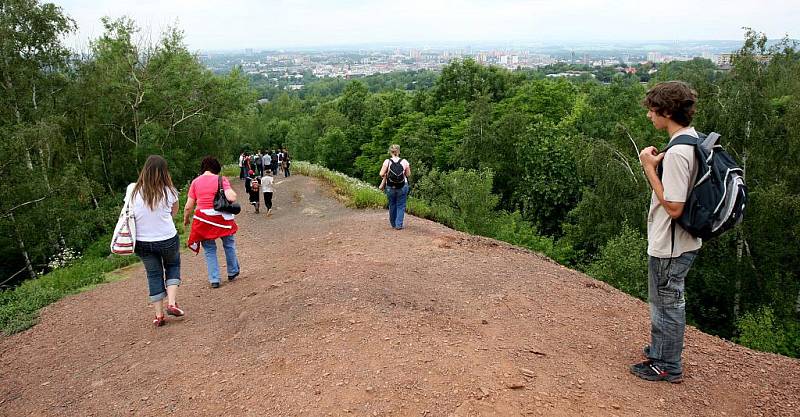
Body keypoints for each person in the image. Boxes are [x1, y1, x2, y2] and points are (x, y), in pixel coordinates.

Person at [631, 81, 702, 383]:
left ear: (667, 111)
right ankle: (661, 350)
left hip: (671, 244)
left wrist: (648, 167)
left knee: (667, 302)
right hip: (684, 240)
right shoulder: (692, 140)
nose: (649, 115)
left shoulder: (678, 153)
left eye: (652, 109)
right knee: (665, 300)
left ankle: (667, 365)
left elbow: (674, 206)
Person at [129, 155, 183, 327]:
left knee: (153, 274)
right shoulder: (171, 191)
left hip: (142, 241)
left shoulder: (132, 189)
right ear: (164, 172)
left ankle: (159, 316)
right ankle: (172, 303)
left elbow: (129, 212)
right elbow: (174, 213)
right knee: (173, 266)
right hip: (167, 237)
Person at [184, 156, 241, 289]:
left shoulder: (195, 182)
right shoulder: (221, 179)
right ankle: (232, 272)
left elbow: (188, 206)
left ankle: (214, 279)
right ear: (216, 167)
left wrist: (186, 219)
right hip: (222, 218)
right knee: (229, 244)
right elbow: (231, 197)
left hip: (203, 219)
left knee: (209, 249)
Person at [379, 144, 411, 230]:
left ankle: (393, 224)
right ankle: (398, 225)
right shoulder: (404, 161)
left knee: (392, 204)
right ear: (399, 151)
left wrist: (386, 175)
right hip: (402, 185)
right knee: (401, 205)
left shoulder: (387, 161)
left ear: (390, 152)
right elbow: (408, 174)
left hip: (390, 186)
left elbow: (381, 174)